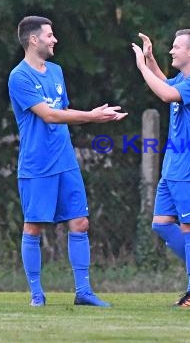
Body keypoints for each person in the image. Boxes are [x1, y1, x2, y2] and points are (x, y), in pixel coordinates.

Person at [8, 16, 128, 307]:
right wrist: (92, 116)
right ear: (33, 40)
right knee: (34, 226)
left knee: (80, 222)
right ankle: (37, 293)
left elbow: (62, 111)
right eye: (49, 35)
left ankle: (83, 292)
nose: (54, 40)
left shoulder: (56, 71)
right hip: (37, 165)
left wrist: (94, 114)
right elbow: (48, 115)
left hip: (65, 160)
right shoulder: (19, 76)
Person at [131, 29, 190, 307]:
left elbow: (166, 94)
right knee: (161, 225)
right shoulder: (183, 79)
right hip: (174, 165)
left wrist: (140, 67)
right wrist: (150, 61)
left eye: (176, 47)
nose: (171, 51)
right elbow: (167, 83)